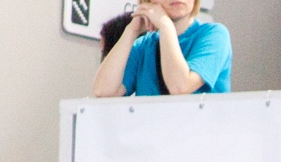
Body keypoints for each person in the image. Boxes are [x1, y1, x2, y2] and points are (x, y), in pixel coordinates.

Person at [93, 0, 232, 98]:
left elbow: (180, 87)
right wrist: (131, 30)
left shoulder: (214, 34)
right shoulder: (144, 45)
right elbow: (103, 91)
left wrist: (166, 25)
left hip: (200, 137)